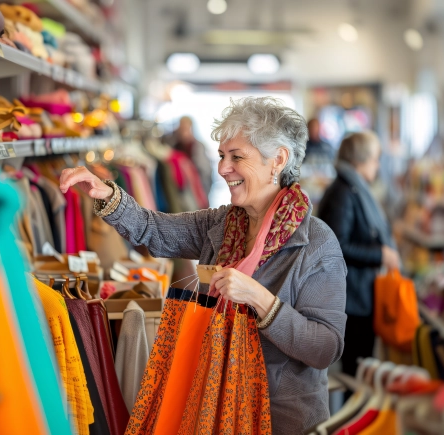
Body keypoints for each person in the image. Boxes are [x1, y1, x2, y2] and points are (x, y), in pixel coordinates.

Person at [59, 97, 347, 434]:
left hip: (280, 419)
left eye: (237, 157)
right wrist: (107, 193)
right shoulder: (222, 225)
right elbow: (153, 229)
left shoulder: (316, 243)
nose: (223, 168)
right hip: (211, 409)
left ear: (278, 160)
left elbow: (325, 348)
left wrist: (260, 299)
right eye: (222, 156)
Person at [317, 131, 401, 381]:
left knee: (361, 364)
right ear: (360, 160)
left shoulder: (353, 188)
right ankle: (354, 418)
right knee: (357, 368)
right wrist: (380, 254)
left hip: (359, 292)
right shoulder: (344, 192)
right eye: (375, 159)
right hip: (351, 298)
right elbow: (337, 245)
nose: (377, 165)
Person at [170, 116, 214, 196]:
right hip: (182, 192)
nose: (183, 132)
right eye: (181, 128)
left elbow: (206, 170)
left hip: (200, 189)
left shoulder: (198, 146)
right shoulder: (174, 145)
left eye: (186, 128)